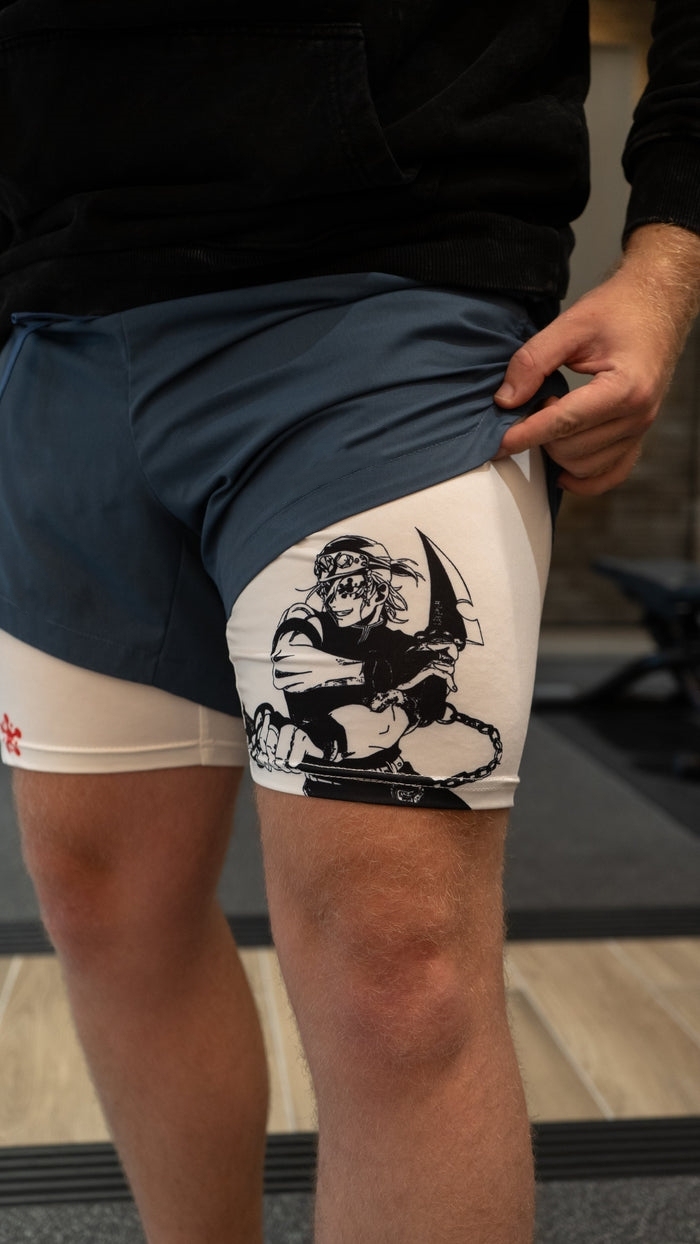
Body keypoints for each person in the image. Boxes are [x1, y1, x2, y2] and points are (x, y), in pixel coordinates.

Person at [0, 2, 698, 1242]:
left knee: (396, 969)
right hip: (59, 318)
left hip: (390, 293)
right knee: (102, 905)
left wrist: (665, 261)